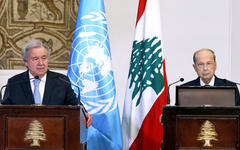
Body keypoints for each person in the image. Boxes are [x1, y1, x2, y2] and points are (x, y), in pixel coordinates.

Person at [2, 39, 92, 127]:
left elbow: (75, 104)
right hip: (20, 134)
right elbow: (4, 113)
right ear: (26, 62)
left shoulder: (61, 81)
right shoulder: (14, 83)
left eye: (44, 58)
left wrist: (84, 113)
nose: (41, 63)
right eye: (35, 59)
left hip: (55, 133)